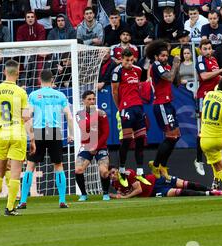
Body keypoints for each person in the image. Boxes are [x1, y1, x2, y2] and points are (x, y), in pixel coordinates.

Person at [16, 69, 74, 209]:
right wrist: (70, 134)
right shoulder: (60, 95)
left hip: (39, 131)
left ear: (40, 80)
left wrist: (30, 135)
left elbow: (26, 116)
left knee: (30, 165)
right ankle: (62, 200)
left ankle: (23, 200)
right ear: (52, 80)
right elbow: (69, 116)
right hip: (54, 131)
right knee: (58, 165)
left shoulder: (34, 95)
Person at [0, 59, 32, 216]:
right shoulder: (21, 92)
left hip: (0, 134)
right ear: (17, 73)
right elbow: (26, 116)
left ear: (4, 72)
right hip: (17, 134)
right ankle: (10, 208)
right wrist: (32, 138)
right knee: (15, 172)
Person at [111, 48, 151, 187]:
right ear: (121, 59)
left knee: (140, 140)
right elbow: (114, 91)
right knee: (127, 140)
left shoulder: (138, 70)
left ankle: (140, 172)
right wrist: (120, 107)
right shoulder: (117, 71)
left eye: (130, 60)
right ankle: (121, 170)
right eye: (126, 60)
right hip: (126, 108)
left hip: (138, 107)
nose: (128, 63)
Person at [147, 40, 181, 180]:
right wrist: (175, 65)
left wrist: (176, 67)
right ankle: (155, 164)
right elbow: (169, 76)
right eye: (162, 56)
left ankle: (162, 166)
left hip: (168, 103)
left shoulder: (166, 65)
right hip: (161, 104)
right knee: (171, 136)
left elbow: (176, 82)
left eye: (166, 55)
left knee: (176, 136)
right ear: (156, 57)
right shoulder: (156, 65)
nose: (165, 58)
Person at [195, 39, 222, 177]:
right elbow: (204, 76)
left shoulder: (213, 59)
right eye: (205, 49)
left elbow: (216, 78)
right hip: (204, 97)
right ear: (201, 50)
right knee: (203, 129)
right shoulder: (200, 60)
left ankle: (209, 158)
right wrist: (220, 70)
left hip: (214, 98)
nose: (208, 51)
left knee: (213, 127)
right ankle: (198, 160)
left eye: (209, 48)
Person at [74, 90, 110, 201]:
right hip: (86, 146)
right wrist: (94, 114)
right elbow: (84, 127)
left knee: (104, 171)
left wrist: (96, 147)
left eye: (94, 99)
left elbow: (106, 132)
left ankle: (105, 193)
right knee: (78, 169)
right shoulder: (79, 114)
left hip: (100, 146)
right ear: (83, 101)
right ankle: (84, 194)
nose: (92, 101)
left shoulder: (102, 113)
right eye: (89, 99)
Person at [108, 167, 222, 198]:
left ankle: (212, 190)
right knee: (177, 192)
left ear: (118, 170)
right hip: (153, 192)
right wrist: (117, 195)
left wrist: (125, 197)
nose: (112, 176)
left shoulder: (128, 173)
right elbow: (122, 192)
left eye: (113, 172)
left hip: (156, 179)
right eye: (110, 175)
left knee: (183, 183)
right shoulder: (115, 184)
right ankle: (210, 194)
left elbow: (138, 189)